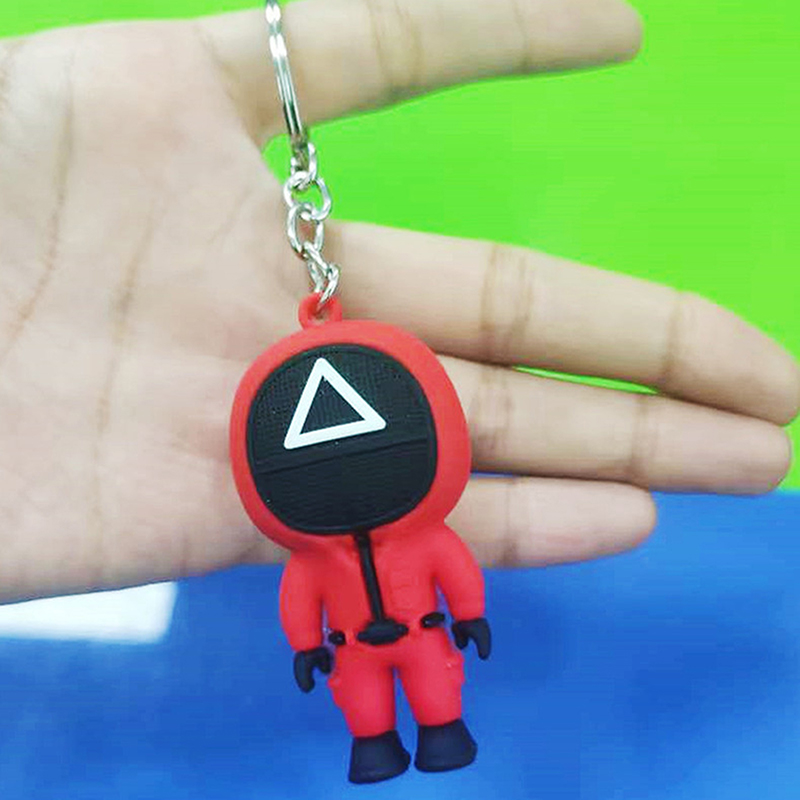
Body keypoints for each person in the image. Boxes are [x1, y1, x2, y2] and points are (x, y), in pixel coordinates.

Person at [0, 0, 796, 605]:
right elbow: (309, 598)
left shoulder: (401, 523)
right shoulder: (319, 533)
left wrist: (465, 617)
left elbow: (443, 568)